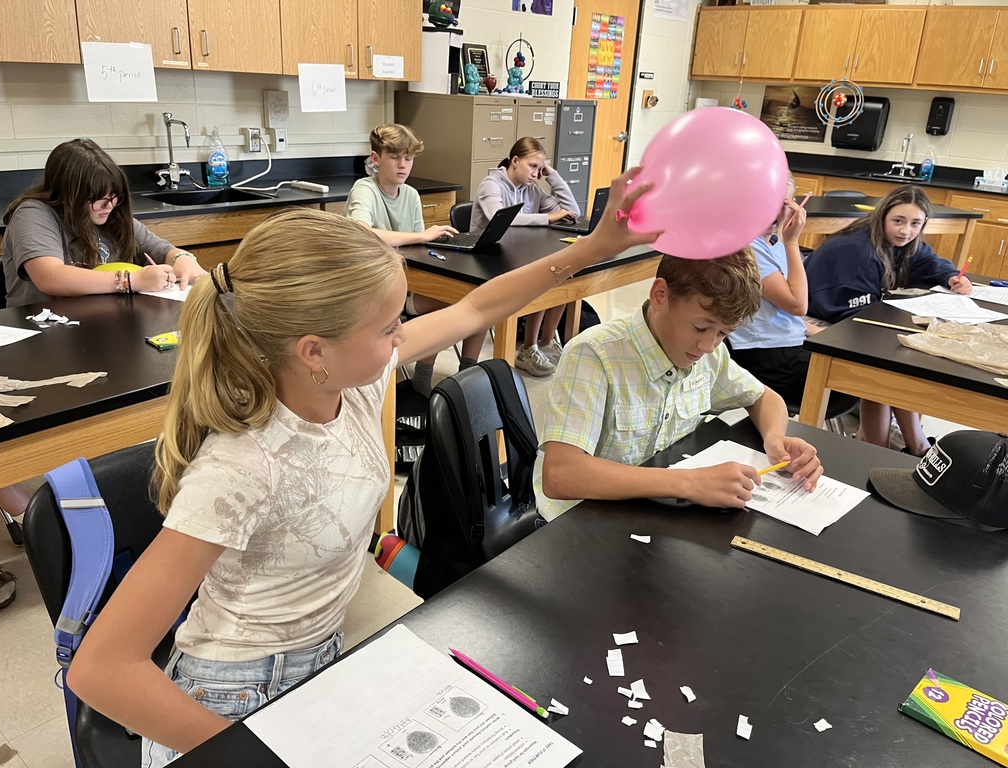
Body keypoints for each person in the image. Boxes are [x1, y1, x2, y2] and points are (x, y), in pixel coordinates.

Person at [66, 169, 659, 766]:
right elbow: (101, 669)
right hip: (231, 699)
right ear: (314, 351)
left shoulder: (355, 385)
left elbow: (478, 306)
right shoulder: (242, 467)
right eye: (387, 327)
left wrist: (594, 248)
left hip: (323, 656)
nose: (401, 336)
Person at [534, 248, 825, 521]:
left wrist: (774, 439)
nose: (709, 345)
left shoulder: (707, 356)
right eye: (701, 327)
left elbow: (764, 397)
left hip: (650, 514)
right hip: (580, 522)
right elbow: (562, 474)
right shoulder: (595, 354)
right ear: (660, 295)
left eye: (723, 333)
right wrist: (688, 483)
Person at [803, 185, 972, 456]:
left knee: (900, 357)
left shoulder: (901, 243)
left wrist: (951, 276)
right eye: (898, 221)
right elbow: (850, 314)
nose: (906, 231)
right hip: (819, 319)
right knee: (887, 362)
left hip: (852, 316)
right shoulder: (856, 250)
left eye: (915, 223)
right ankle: (882, 449)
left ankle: (910, 446)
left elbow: (928, 262)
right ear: (882, 216)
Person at [346, 123, 485, 396]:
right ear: (376, 159)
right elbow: (361, 233)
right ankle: (423, 380)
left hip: (413, 280)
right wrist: (420, 237)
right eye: (395, 157)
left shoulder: (409, 194)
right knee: (450, 306)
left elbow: (420, 243)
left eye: (408, 158)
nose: (403, 165)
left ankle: (468, 374)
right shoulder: (365, 189)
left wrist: (432, 241)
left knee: (478, 298)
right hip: (380, 290)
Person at [1, 138, 205, 308]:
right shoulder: (33, 213)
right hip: (44, 328)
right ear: (70, 196)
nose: (110, 206)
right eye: (99, 199)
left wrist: (182, 258)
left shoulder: (112, 213)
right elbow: (50, 277)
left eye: (115, 196)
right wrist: (131, 280)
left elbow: (158, 249)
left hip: (103, 322)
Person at [727, 178, 858, 414]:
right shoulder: (749, 246)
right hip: (766, 355)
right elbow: (797, 305)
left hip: (785, 343)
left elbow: (782, 315)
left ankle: (905, 443)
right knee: (865, 376)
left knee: (871, 362)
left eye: (781, 203)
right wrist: (793, 242)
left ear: (794, 206)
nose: (771, 211)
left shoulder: (773, 241)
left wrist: (827, 335)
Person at [470, 137, 581, 377]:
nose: (535, 173)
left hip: (519, 254)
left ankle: (545, 341)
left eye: (539, 168)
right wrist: (547, 218)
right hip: (487, 259)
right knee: (543, 276)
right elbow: (497, 217)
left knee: (563, 272)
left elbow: (573, 211)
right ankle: (528, 348)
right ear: (515, 160)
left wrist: (552, 175)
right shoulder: (492, 184)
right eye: (532, 166)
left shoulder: (532, 190)